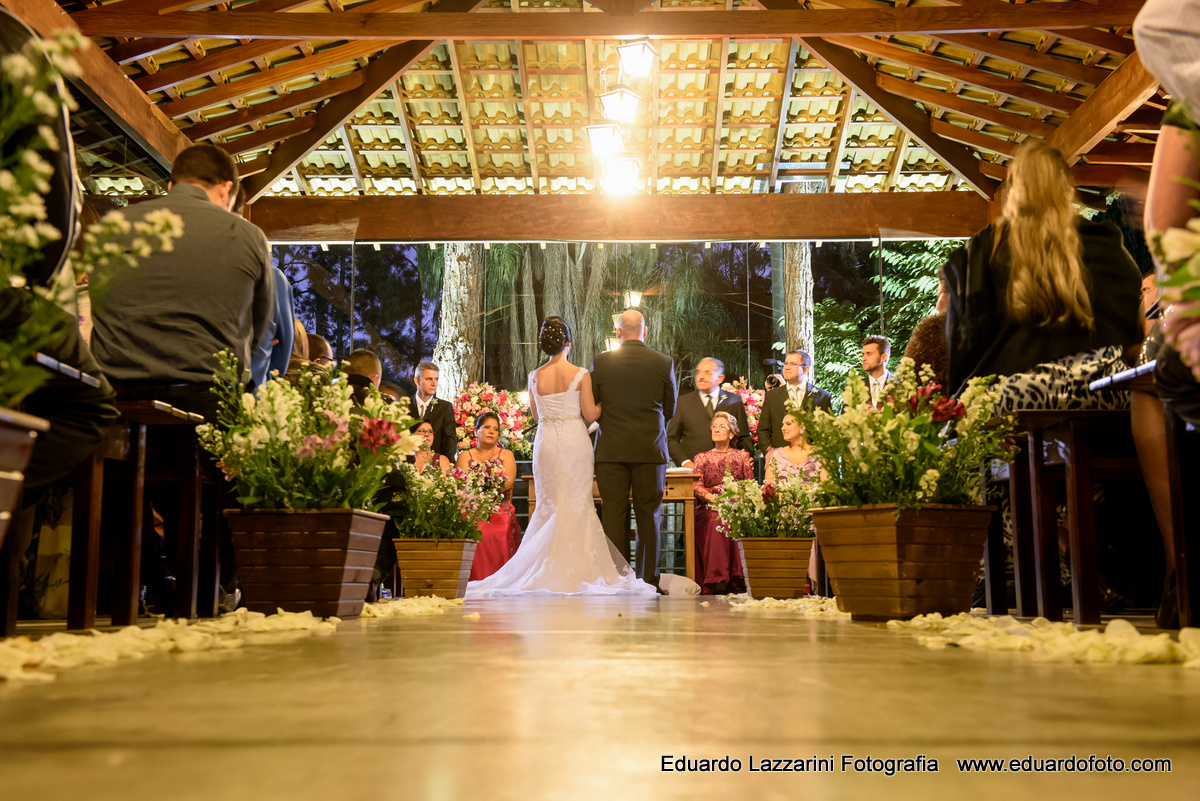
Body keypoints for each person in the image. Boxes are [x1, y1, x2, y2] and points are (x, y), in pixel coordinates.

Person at [942, 139, 1143, 408]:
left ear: (1014, 189)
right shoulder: (1105, 243)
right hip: (1102, 392)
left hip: (1015, 396)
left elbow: (962, 344)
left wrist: (957, 397)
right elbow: (1129, 326)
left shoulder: (981, 253)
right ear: (1068, 187)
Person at [467, 317, 656, 597]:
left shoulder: (534, 375)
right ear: (569, 342)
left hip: (545, 444)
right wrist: (608, 404)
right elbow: (591, 414)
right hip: (573, 441)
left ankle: (547, 568)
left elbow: (535, 415)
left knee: (550, 503)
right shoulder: (581, 374)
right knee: (576, 503)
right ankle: (578, 569)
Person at [90, 142, 275, 422]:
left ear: (170, 186)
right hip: (209, 403)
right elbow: (260, 332)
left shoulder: (114, 225)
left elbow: (98, 304)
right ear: (226, 190)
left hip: (115, 400)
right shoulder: (249, 236)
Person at [591, 309, 678, 593]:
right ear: (646, 331)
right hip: (649, 450)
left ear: (618, 332)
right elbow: (671, 408)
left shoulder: (601, 363)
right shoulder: (663, 362)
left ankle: (618, 581)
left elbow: (594, 406)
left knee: (613, 514)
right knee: (648, 516)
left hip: (611, 450)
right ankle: (648, 581)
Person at [690, 411, 755, 595]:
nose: (716, 429)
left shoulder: (742, 456)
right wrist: (714, 499)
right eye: (714, 426)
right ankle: (716, 578)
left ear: (732, 433)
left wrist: (734, 500)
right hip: (709, 506)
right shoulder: (701, 457)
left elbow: (748, 484)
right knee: (716, 518)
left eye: (721, 426)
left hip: (735, 505)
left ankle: (737, 578)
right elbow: (697, 485)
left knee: (730, 517)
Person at [763, 412, 824, 594]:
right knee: (783, 518)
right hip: (784, 506)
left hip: (812, 506)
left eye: (789, 423)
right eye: (783, 424)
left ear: (803, 427)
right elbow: (769, 485)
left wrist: (804, 495)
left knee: (812, 520)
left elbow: (826, 483)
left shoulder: (820, 453)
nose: (783, 427)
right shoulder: (776, 453)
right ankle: (790, 581)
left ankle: (814, 583)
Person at [457, 411, 522, 582]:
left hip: (498, 506)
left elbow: (508, 483)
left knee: (500, 528)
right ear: (475, 431)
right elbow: (462, 483)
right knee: (473, 527)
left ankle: (502, 580)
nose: (491, 432)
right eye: (486, 427)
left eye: (495, 429)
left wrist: (488, 487)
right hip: (471, 506)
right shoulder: (465, 456)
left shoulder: (506, 455)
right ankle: (472, 581)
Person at [667, 356, 753, 468]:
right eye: (698, 372)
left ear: (720, 378)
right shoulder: (683, 402)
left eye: (707, 372)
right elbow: (671, 439)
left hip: (728, 470)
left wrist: (744, 458)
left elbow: (743, 437)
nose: (701, 377)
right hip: (694, 471)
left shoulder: (734, 401)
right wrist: (685, 463)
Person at [757, 349, 832, 455]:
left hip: (811, 460)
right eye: (786, 363)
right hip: (780, 459)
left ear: (805, 369)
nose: (787, 367)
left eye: (793, 364)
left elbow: (827, 432)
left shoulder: (822, 396)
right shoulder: (772, 396)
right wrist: (770, 453)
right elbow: (763, 430)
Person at [408, 360, 456, 464]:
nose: (434, 384)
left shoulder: (445, 407)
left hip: (436, 465)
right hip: (408, 465)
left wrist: (448, 467)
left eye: (436, 379)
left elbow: (449, 441)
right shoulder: (404, 406)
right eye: (429, 379)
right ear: (417, 381)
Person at [861, 336, 893, 408]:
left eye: (869, 353)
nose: (863, 358)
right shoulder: (854, 388)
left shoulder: (900, 385)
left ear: (883, 357)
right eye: (863, 354)